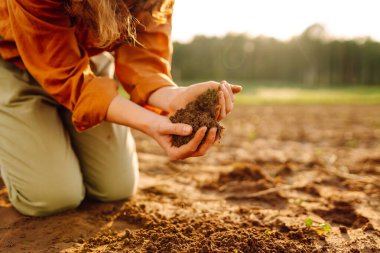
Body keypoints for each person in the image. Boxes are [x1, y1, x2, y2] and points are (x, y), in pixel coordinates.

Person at [0, 0, 241, 217]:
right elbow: (66, 79)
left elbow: (144, 61)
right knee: (52, 197)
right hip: (16, 63)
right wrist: (151, 124)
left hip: (87, 69)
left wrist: (173, 96)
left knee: (116, 187)